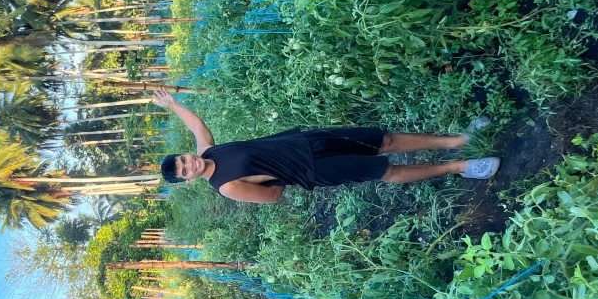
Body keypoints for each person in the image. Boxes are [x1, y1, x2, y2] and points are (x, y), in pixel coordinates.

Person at [150, 89, 499, 204]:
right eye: (184, 171)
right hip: (314, 168)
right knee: (385, 170)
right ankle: (461, 167)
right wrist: (280, 170)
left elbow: (196, 126)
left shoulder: (208, 152)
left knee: (384, 140)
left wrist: (172, 104)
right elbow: (272, 196)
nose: (189, 164)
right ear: (188, 181)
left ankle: (458, 140)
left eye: (183, 159)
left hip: (308, 141)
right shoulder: (225, 186)